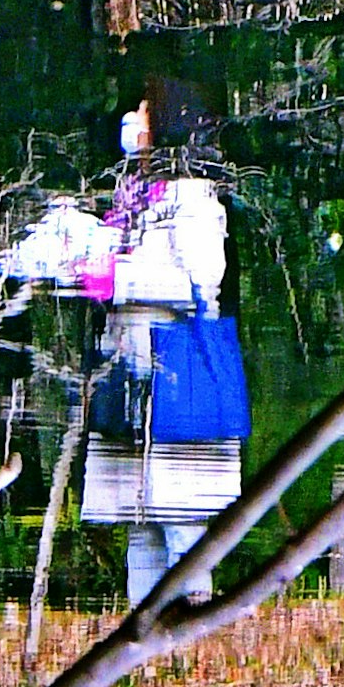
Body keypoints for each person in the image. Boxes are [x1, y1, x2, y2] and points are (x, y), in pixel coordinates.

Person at [72, 78, 240, 607]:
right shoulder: (132, 195)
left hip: (177, 372)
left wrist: (119, 280)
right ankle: (141, 640)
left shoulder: (195, 198)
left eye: (144, 115)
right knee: (139, 522)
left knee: (182, 521)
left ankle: (189, 637)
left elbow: (199, 284)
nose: (134, 125)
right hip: (129, 372)